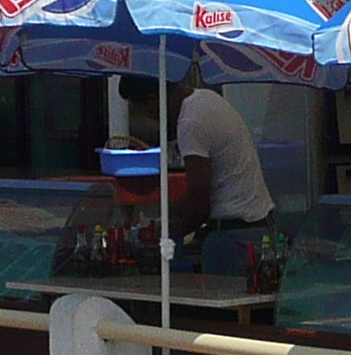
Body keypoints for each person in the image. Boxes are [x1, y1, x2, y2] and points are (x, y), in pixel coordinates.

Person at [116, 75, 274, 249]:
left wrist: (164, 238)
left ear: (153, 101)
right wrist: (168, 214)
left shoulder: (190, 123)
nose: (147, 119)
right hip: (257, 223)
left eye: (140, 110)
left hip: (233, 233)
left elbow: (199, 200)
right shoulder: (206, 98)